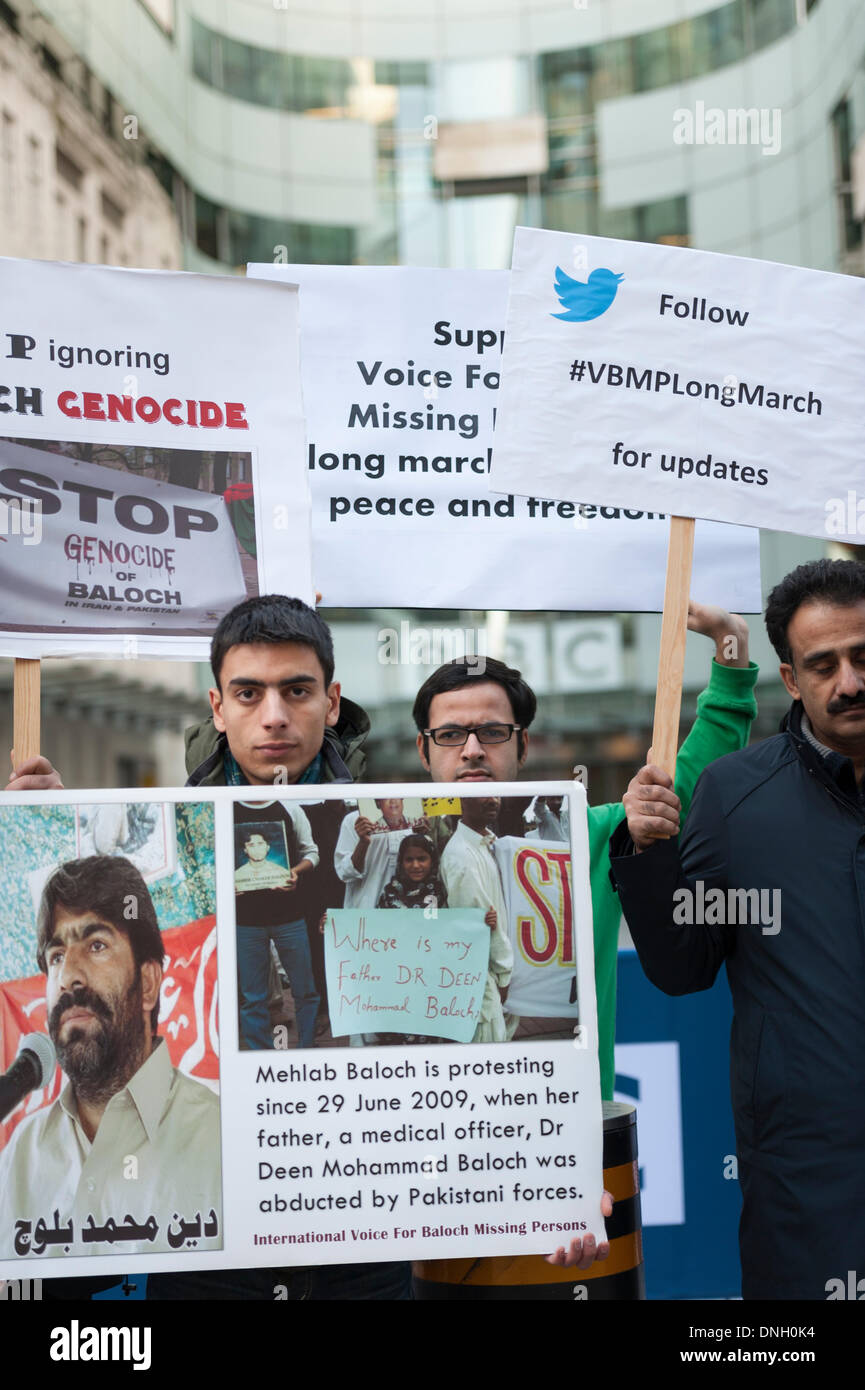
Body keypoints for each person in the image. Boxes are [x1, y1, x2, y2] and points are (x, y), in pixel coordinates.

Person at [6, 594, 409, 1301]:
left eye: (297, 690)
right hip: (210, 1245)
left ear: (333, 701)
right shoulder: (176, 836)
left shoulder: (386, 824)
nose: (274, 715)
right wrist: (37, 820)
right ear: (217, 707)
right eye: (249, 694)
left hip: (363, 1222)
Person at [413, 601, 758, 1270]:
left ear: (524, 745)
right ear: (424, 750)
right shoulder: (381, 838)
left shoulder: (591, 833)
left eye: (492, 730)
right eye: (451, 734)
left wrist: (729, 656)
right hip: (427, 1153)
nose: (473, 748)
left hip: (565, 1152)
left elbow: (680, 786)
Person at [608, 559, 865, 1300]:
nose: (847, 681)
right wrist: (647, 855)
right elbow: (684, 963)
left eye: (861, 657)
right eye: (823, 665)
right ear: (789, 680)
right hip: (808, 1180)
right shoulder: (734, 793)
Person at [0, 856, 221, 1260]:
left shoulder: (222, 1140)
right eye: (55, 957)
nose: (69, 975)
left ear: (149, 984)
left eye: (96, 945)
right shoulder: (18, 1158)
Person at [233, 804, 320, 1051]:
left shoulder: (290, 807)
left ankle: (307, 1048)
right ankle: (261, 1055)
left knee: (305, 989)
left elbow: (312, 853)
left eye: (261, 844)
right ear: (244, 847)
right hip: (245, 920)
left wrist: (296, 872)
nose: (257, 848)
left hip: (289, 916)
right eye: (251, 844)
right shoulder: (229, 804)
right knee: (253, 997)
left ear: (269, 847)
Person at [439, 795, 512, 1043]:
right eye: (483, 794)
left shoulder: (487, 844)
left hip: (489, 977)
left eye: (496, 794)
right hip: (481, 979)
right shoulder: (462, 856)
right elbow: (476, 927)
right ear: (462, 801)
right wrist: (503, 973)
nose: (493, 800)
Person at [377, 834, 447, 911]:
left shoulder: (441, 893)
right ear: (401, 862)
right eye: (409, 860)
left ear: (432, 861)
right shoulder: (390, 893)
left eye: (421, 859)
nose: (415, 865)